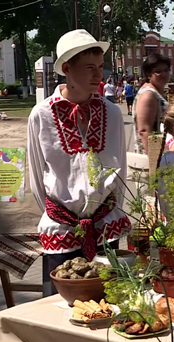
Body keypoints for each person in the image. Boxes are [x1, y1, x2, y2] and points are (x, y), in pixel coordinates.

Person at [27, 29, 131, 296]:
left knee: (111, 302)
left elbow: (120, 169)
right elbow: (37, 176)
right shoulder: (41, 115)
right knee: (62, 309)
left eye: (100, 67)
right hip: (62, 229)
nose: (99, 76)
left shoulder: (112, 113)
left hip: (104, 226)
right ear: (66, 69)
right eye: (89, 68)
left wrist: (107, 210)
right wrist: (60, 214)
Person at [132, 52, 171, 154]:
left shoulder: (156, 92)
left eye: (166, 70)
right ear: (149, 74)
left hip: (158, 150)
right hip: (149, 156)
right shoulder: (148, 95)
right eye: (158, 71)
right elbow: (144, 131)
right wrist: (155, 162)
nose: (163, 74)